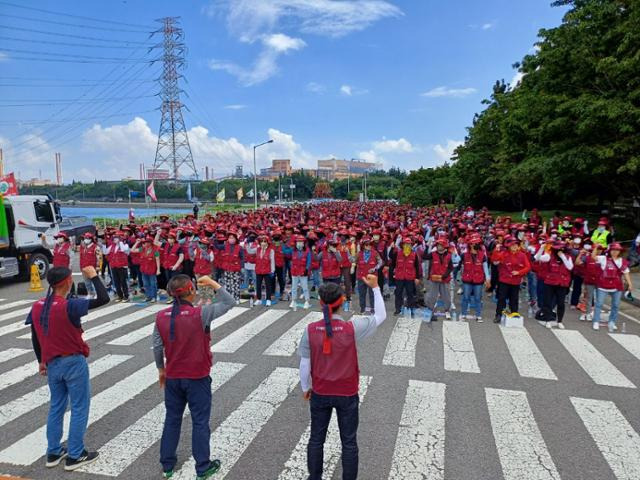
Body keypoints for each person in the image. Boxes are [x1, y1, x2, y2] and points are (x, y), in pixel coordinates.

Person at [298, 274, 387, 480]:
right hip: (347, 392)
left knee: (316, 439)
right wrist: (375, 288)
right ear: (343, 303)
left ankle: (315, 477)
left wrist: (305, 387)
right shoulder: (351, 327)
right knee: (348, 442)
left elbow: (305, 363)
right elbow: (381, 316)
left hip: (320, 391)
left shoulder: (310, 330)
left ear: (321, 303)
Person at [26, 265, 110, 471]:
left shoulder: (38, 305)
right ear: (67, 282)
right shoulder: (69, 305)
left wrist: (41, 360)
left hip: (52, 363)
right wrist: (94, 277)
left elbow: (36, 335)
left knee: (57, 406)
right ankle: (75, 454)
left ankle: (53, 452)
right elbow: (103, 298)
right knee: (80, 406)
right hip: (72, 361)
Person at [153, 274, 236, 480]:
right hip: (197, 376)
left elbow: (157, 346)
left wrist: (161, 370)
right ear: (191, 289)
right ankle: (202, 467)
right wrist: (212, 283)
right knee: (200, 421)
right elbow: (230, 302)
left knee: (172, 419)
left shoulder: (161, 316)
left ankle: (167, 466)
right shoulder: (201, 313)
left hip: (173, 376)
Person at [592, 242, 633, 332]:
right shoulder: (603, 258)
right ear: (610, 251)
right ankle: (596, 321)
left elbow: (626, 272)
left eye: (617, 250)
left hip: (616, 286)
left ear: (620, 251)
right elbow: (593, 257)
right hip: (603, 285)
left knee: (615, 305)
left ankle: (612, 322)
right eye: (613, 250)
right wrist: (595, 248)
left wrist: (630, 284)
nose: (615, 252)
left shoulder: (622, 261)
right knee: (599, 304)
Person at [492, 237, 531, 322]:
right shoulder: (504, 254)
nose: (514, 247)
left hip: (515, 281)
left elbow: (528, 267)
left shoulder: (522, 255)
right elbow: (494, 261)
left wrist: (519, 272)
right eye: (512, 245)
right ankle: (498, 314)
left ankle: (514, 313)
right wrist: (496, 250)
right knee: (501, 298)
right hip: (504, 280)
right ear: (509, 246)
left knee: (514, 299)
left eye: (516, 245)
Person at [538, 241, 574, 329]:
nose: (559, 251)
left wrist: (562, 256)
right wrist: (542, 248)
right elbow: (537, 257)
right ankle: (548, 320)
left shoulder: (568, 257)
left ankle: (560, 321)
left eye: (562, 249)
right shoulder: (549, 256)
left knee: (561, 303)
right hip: (550, 283)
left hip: (562, 283)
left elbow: (570, 267)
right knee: (548, 302)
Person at [460, 234, 490, 322]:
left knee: (478, 298)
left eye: (478, 243)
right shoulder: (464, 255)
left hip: (478, 280)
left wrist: (487, 279)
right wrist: (454, 254)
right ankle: (464, 314)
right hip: (467, 279)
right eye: (475, 243)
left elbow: (485, 268)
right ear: (471, 244)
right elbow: (457, 263)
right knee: (465, 297)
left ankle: (478, 315)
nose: (477, 244)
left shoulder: (482, 255)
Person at [389, 236, 422, 317]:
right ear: (402, 245)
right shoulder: (397, 253)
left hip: (410, 278)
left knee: (410, 293)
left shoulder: (414, 255)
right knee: (398, 293)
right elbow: (391, 259)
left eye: (409, 244)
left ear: (411, 246)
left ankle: (411, 308)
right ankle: (397, 309)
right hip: (399, 277)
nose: (407, 246)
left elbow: (417, 267)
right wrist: (392, 248)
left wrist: (417, 278)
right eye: (405, 244)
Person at [422, 238, 453, 321]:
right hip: (434, 278)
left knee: (446, 296)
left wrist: (445, 276)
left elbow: (450, 268)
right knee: (432, 296)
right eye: (438, 245)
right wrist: (427, 246)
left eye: (440, 245)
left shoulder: (449, 255)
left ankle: (447, 310)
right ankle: (430, 311)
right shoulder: (432, 254)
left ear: (444, 246)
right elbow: (424, 256)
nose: (439, 246)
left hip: (444, 279)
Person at [355, 237, 383, 314]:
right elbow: (352, 260)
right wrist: (347, 252)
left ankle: (373, 308)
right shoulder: (359, 254)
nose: (369, 246)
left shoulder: (375, 253)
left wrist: (375, 268)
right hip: (361, 277)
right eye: (367, 245)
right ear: (363, 245)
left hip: (372, 277)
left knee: (372, 294)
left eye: (370, 244)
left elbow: (380, 262)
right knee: (362, 294)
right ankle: (362, 308)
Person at [132, 236, 161, 303]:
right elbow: (133, 250)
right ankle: (148, 296)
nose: (146, 243)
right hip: (144, 270)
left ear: (151, 243)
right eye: (145, 242)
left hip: (152, 270)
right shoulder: (142, 249)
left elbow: (157, 260)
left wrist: (158, 269)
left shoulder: (155, 250)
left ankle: (154, 297)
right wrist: (137, 242)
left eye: (148, 242)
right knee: (146, 284)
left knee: (153, 284)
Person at [104, 232, 130, 302]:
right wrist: (103, 245)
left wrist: (120, 242)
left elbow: (123, 250)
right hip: (114, 266)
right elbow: (105, 252)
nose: (115, 239)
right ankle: (120, 296)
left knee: (123, 282)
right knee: (116, 282)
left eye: (116, 238)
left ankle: (126, 296)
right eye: (114, 238)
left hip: (122, 266)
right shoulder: (112, 246)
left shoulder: (125, 245)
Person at [290, 235, 312, 309]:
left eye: (301, 242)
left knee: (305, 287)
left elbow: (309, 261)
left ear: (304, 243)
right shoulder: (293, 250)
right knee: (294, 287)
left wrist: (307, 269)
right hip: (295, 271)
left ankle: (307, 301)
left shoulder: (307, 250)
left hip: (303, 271)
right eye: (298, 242)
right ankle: (293, 300)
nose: (299, 243)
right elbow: (287, 255)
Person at [77, 233, 100, 298]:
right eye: (85, 238)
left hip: (93, 268)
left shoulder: (96, 247)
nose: (85, 240)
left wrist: (98, 267)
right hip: (84, 267)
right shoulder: (84, 247)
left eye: (87, 238)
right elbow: (81, 258)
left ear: (91, 239)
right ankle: (90, 293)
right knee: (87, 283)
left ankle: (96, 294)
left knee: (94, 282)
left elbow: (99, 258)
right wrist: (81, 267)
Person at [254, 235, 276, 306]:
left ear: (267, 242)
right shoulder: (257, 249)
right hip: (259, 270)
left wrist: (272, 271)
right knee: (258, 285)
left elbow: (272, 261)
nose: (263, 243)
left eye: (264, 241)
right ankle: (259, 299)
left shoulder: (271, 251)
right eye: (261, 242)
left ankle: (268, 299)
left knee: (268, 286)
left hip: (267, 270)